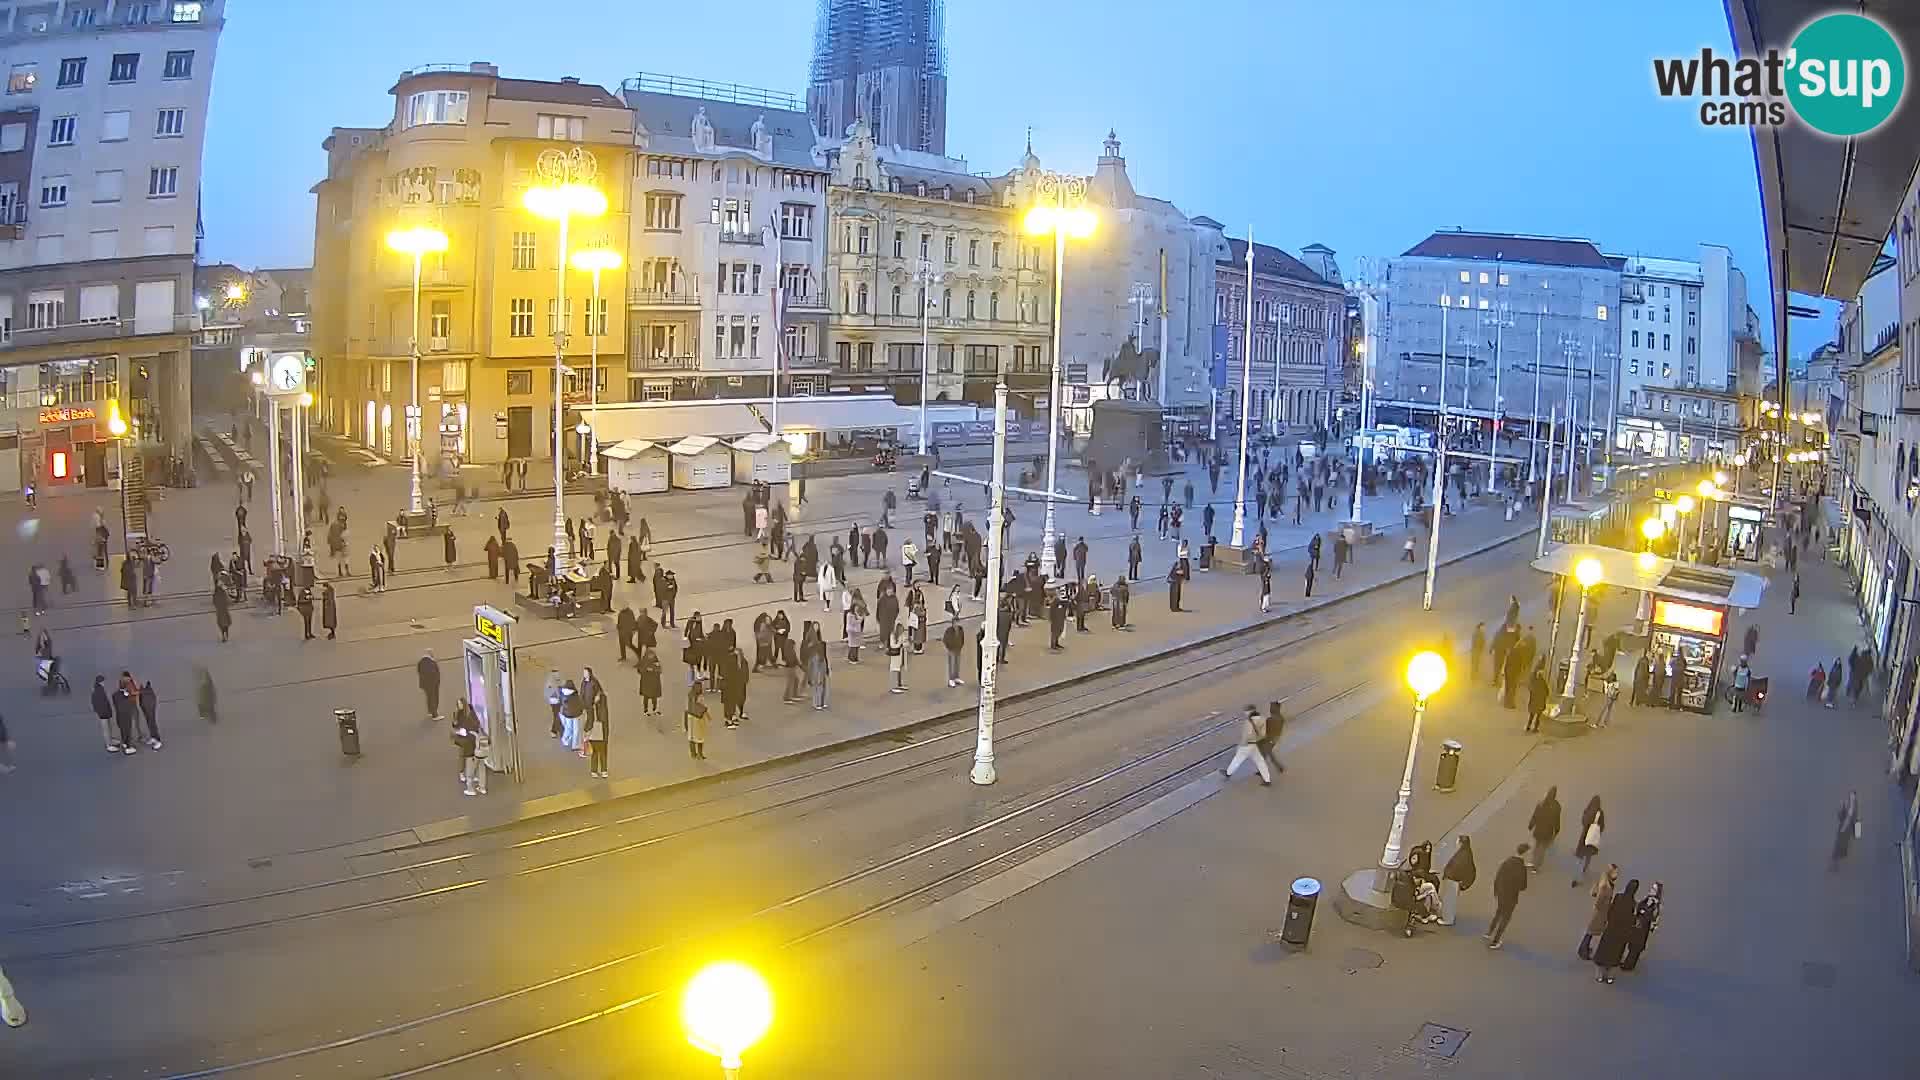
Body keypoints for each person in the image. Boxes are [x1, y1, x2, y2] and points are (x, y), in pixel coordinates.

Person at [1592, 878, 1640, 984]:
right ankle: (1610, 977)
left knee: (1604, 951)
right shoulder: (1633, 904)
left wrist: (1609, 922)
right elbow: (1631, 920)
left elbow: (1611, 910)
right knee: (1615, 955)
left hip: (1611, 929)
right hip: (1621, 934)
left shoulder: (1618, 897)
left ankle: (1599, 975)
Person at [1485, 843, 1529, 948]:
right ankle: (1495, 941)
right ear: (1525, 853)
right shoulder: (1521, 868)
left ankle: (1489, 932)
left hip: (1501, 893)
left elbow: (1498, 876)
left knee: (1498, 912)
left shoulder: (1507, 862)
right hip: (1511, 897)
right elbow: (1523, 886)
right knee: (1505, 918)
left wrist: (1496, 890)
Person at [1576, 863, 1620, 959]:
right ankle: (1583, 950)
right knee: (1591, 931)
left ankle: (1584, 948)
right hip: (1600, 911)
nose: (1616, 875)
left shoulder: (1606, 879)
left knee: (1591, 930)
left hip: (1600, 910)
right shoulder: (1605, 885)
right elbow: (1599, 898)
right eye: (1615, 873)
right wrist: (1598, 908)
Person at [1221, 705, 1273, 785]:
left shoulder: (1249, 721)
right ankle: (1267, 780)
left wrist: (1241, 744)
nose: (1245, 713)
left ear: (1250, 711)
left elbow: (1247, 735)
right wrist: (1256, 740)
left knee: (1237, 759)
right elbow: (1263, 734)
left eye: (1246, 711)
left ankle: (1228, 773)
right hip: (1254, 745)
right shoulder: (1263, 719)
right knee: (1260, 762)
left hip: (1246, 745)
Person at [1619, 881, 1664, 972]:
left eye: (1654, 889)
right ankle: (1627, 962)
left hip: (1643, 928)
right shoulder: (1647, 899)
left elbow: (1654, 918)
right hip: (1637, 926)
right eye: (1652, 888)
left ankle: (1629, 965)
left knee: (1636, 947)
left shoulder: (1656, 904)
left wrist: (1645, 912)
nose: (1651, 890)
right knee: (1632, 945)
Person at [1440, 835, 1477, 926]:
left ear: (1461, 843)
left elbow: (1458, 868)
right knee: (1449, 900)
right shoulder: (1465, 853)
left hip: (1454, 881)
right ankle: (1447, 917)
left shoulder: (1463, 855)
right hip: (1454, 881)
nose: (1456, 842)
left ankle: (1448, 920)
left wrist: (1448, 875)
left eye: (1458, 841)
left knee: (1450, 900)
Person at [1573, 796, 1605, 885]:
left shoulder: (1588, 810)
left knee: (1580, 855)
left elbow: (1583, 821)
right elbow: (1602, 826)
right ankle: (1585, 868)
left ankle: (1577, 876)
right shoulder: (1600, 813)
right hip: (1593, 837)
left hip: (1585, 836)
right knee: (1589, 854)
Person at [1528, 786, 1561, 871]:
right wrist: (1556, 831)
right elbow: (1557, 820)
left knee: (1536, 845)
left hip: (1539, 829)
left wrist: (1531, 825)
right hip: (1548, 832)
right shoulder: (1557, 806)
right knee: (1542, 849)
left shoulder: (1541, 803)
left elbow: (1535, 815)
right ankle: (1536, 866)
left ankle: (1532, 862)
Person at [1832, 790, 1860, 870]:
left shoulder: (1853, 807)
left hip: (1846, 830)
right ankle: (1836, 864)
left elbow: (1854, 819)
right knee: (1840, 847)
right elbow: (1841, 816)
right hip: (1844, 830)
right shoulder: (1850, 806)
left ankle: (1837, 865)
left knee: (1841, 847)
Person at [685, 682, 711, 759]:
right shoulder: (696, 696)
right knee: (698, 737)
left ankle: (696, 754)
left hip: (694, 718)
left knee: (694, 737)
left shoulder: (691, 695)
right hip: (697, 719)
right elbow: (701, 707)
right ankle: (697, 754)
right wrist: (707, 715)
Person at [1525, 661, 1550, 733]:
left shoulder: (1534, 682)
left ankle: (1528, 726)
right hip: (1540, 702)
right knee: (1538, 716)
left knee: (1532, 715)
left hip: (1534, 701)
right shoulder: (1542, 682)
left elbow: (1531, 689)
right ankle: (1535, 728)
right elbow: (1546, 691)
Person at [638, 649, 663, 717]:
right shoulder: (643, 661)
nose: (651, 656)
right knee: (646, 697)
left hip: (654, 683)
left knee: (654, 697)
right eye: (650, 655)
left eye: (652, 655)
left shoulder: (656, 661)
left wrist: (654, 669)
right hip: (646, 683)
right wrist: (646, 669)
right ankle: (645, 710)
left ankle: (655, 709)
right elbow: (640, 670)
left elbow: (660, 670)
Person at [417, 650, 442, 721]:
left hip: (425, 684)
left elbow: (419, 671)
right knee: (433, 698)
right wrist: (436, 681)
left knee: (429, 697)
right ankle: (435, 715)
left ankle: (430, 711)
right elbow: (433, 673)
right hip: (432, 684)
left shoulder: (421, 662)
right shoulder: (430, 662)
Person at [137, 679, 161, 749]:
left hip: (149, 705)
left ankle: (158, 741)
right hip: (145, 705)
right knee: (149, 722)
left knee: (152, 722)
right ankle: (153, 737)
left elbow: (138, 692)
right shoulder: (143, 687)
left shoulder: (147, 689)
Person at [887, 622, 908, 693]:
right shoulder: (892, 636)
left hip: (901, 654)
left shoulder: (902, 635)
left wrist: (904, 643)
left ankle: (899, 684)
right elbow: (893, 645)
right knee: (894, 669)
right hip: (895, 654)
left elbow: (906, 643)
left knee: (900, 669)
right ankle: (893, 686)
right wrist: (900, 644)